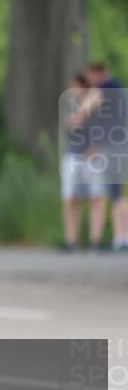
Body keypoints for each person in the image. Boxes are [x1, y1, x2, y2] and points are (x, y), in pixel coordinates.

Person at [78, 63, 128, 252]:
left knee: (116, 194)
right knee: (115, 193)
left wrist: (77, 118)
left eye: (90, 77)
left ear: (97, 74)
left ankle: (123, 237)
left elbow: (85, 109)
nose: (89, 81)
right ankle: (120, 237)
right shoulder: (117, 89)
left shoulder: (105, 88)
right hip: (116, 145)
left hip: (111, 147)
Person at [60, 73, 102, 251]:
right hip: (73, 155)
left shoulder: (97, 102)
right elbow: (70, 124)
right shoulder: (69, 103)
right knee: (70, 199)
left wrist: (97, 146)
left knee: (95, 198)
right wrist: (81, 114)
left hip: (93, 157)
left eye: (76, 86)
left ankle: (96, 241)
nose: (73, 90)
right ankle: (72, 241)